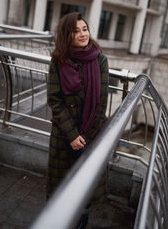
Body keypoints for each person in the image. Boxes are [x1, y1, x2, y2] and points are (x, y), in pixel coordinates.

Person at [46, 12, 109, 228]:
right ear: (67, 35)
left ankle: (80, 222)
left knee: (83, 191)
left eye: (84, 29)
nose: (83, 34)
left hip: (91, 135)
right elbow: (55, 101)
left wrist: (86, 136)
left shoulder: (100, 60)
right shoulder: (58, 61)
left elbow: (102, 103)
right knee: (61, 189)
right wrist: (72, 135)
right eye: (76, 31)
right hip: (64, 136)